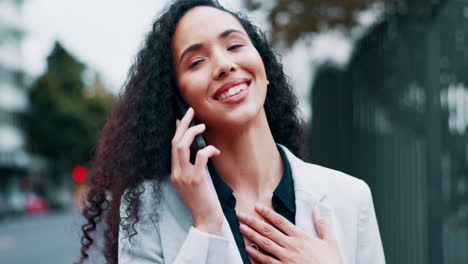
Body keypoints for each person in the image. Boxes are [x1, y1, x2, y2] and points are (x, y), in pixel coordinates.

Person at [76, 0, 385, 263]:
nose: (224, 64)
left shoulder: (351, 197)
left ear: (264, 69)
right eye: (196, 61)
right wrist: (206, 228)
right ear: (178, 99)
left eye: (235, 45)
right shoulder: (146, 209)